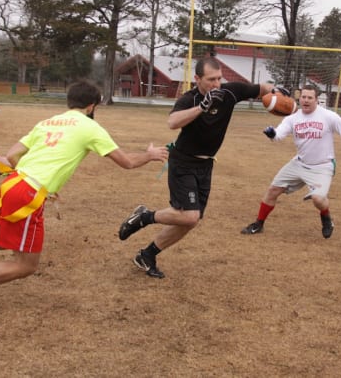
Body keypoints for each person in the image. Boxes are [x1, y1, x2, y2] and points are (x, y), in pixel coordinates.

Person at [0, 80, 169, 312]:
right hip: (28, 192)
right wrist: (149, 155)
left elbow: (10, 157)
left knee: (6, 239)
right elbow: (126, 162)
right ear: (92, 106)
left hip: (13, 184)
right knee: (25, 264)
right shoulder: (90, 127)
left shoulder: (47, 122)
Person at [117, 56, 275, 278]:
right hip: (184, 162)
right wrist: (202, 106)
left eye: (219, 78)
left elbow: (262, 88)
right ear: (197, 79)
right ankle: (145, 217)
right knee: (190, 216)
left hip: (205, 164)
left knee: (190, 220)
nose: (217, 84)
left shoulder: (231, 92)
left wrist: (277, 92)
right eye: (211, 79)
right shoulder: (189, 99)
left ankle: (147, 254)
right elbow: (172, 122)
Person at [240, 85, 341, 238]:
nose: (306, 100)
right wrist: (272, 134)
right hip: (299, 163)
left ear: (316, 100)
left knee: (318, 199)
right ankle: (258, 224)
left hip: (322, 166)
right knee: (272, 191)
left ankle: (326, 219)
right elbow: (279, 135)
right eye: (303, 97)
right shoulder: (293, 118)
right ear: (299, 98)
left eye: (310, 98)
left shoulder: (329, 116)